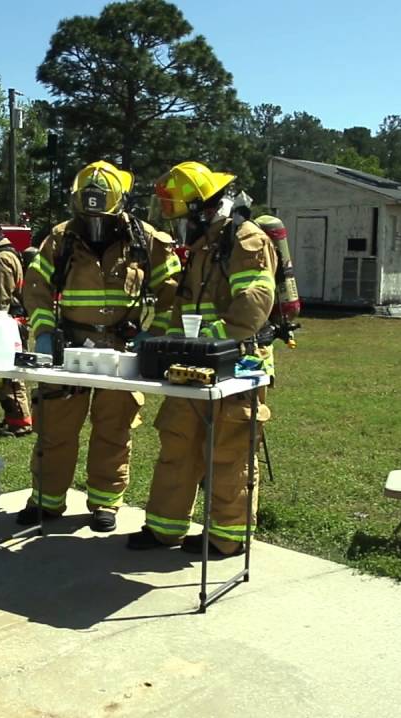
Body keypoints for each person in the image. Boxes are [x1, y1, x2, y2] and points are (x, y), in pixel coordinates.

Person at [19, 160, 181, 532]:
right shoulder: (60, 238)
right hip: (69, 349)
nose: (95, 221)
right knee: (55, 427)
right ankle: (46, 500)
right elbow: (36, 289)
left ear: (120, 202)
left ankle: (105, 504)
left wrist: (153, 336)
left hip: (122, 350)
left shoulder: (147, 240)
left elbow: (174, 292)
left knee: (114, 429)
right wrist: (44, 332)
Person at [127, 161, 277, 556]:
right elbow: (184, 307)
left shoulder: (247, 241)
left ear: (205, 210)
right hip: (193, 366)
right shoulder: (203, 247)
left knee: (228, 452)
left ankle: (228, 539)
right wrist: (157, 341)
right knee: (178, 441)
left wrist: (212, 341)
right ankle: (164, 529)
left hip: (238, 364)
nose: (180, 228)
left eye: (183, 218)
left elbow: (255, 302)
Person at [0, 223, 32, 437]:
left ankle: (21, 422)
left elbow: (2, 296)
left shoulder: (1, 259)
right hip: (12, 321)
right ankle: (12, 418)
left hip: (5, 324)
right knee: (4, 375)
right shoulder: (10, 254)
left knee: (8, 375)